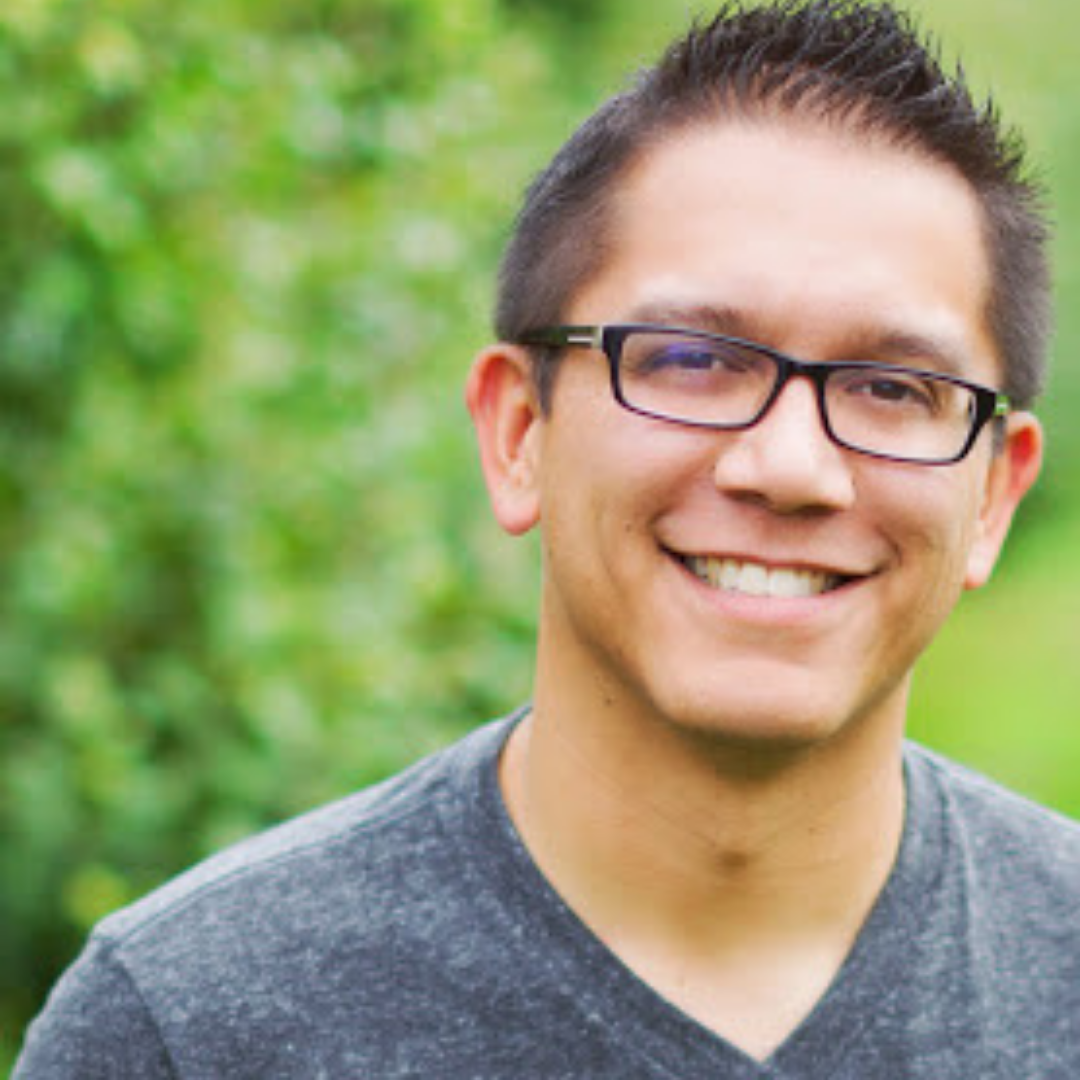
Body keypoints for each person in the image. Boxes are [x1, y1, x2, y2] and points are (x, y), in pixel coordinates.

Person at [16, 1, 1079, 1075]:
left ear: (993, 494)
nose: (791, 467)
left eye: (894, 386)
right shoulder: (187, 1027)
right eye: (692, 360)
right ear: (519, 431)